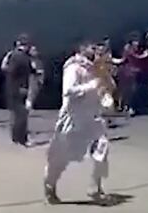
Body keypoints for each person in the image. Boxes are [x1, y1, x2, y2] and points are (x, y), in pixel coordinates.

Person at [43, 42, 111, 204]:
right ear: (82, 50)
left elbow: (104, 90)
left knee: (102, 147)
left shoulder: (96, 69)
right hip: (72, 118)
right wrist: (91, 86)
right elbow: (68, 91)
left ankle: (95, 188)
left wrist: (105, 96)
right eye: (93, 48)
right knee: (60, 158)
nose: (96, 52)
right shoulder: (74, 68)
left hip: (92, 118)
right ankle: (49, 185)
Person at [4, 35, 33, 146]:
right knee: (22, 114)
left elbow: (9, 71)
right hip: (19, 88)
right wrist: (21, 86)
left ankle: (16, 137)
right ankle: (22, 139)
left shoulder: (14, 55)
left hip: (14, 88)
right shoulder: (21, 57)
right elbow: (13, 72)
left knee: (17, 114)